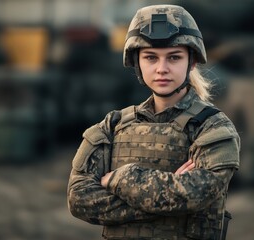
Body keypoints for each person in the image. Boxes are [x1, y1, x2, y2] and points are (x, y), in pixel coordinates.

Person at [67, 4, 240, 240]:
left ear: (191, 62)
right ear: (137, 62)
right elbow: (79, 199)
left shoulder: (213, 128)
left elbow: (195, 194)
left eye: (174, 57)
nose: (161, 69)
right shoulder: (114, 125)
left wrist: (120, 178)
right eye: (150, 57)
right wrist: (169, 203)